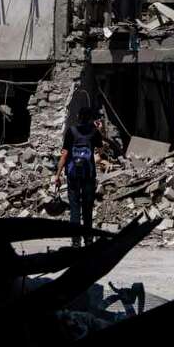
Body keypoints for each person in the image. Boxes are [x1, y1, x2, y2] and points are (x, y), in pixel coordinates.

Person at [56, 102, 108, 246]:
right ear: (91, 118)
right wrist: (100, 131)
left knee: (74, 207)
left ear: (78, 117)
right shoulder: (94, 132)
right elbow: (101, 151)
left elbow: (65, 155)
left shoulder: (71, 131)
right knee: (87, 207)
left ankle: (75, 240)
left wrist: (57, 175)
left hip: (73, 174)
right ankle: (89, 239)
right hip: (88, 175)